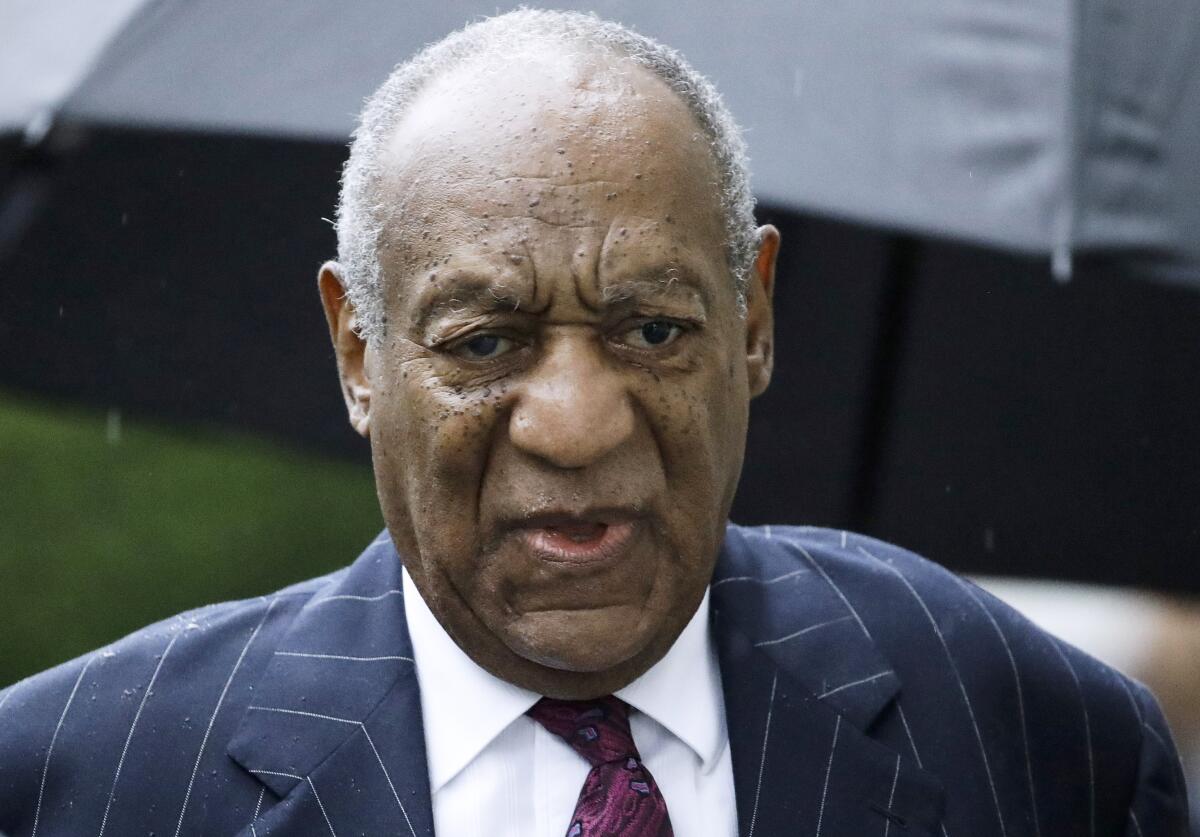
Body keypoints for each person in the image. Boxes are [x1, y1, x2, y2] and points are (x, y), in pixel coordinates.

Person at [0, 9, 1189, 837]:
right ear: (358, 352)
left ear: (755, 320)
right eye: (485, 342)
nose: (573, 427)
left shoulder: (1033, 735)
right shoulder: (76, 783)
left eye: (653, 331)